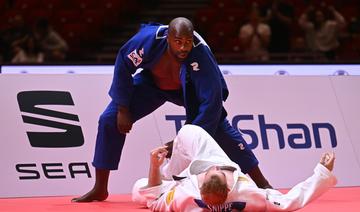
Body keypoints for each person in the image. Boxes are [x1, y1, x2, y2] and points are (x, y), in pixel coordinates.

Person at [72, 17, 271, 202]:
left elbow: (212, 103)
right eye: (178, 41)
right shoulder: (147, 40)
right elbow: (124, 63)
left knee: (218, 124)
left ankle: (262, 182)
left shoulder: (201, 54)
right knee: (109, 119)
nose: (184, 47)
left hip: (188, 91)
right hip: (151, 85)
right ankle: (100, 187)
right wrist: (123, 108)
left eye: (187, 42)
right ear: (168, 38)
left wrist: (180, 142)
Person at [132, 124, 337, 211]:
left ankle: (169, 174)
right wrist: (321, 172)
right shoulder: (247, 195)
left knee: (138, 189)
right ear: (228, 186)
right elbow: (289, 202)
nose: (213, 170)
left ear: (201, 187)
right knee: (189, 130)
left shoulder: (184, 198)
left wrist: (154, 166)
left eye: (209, 173)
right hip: (211, 158)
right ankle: (169, 175)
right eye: (218, 173)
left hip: (185, 176)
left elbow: (154, 198)